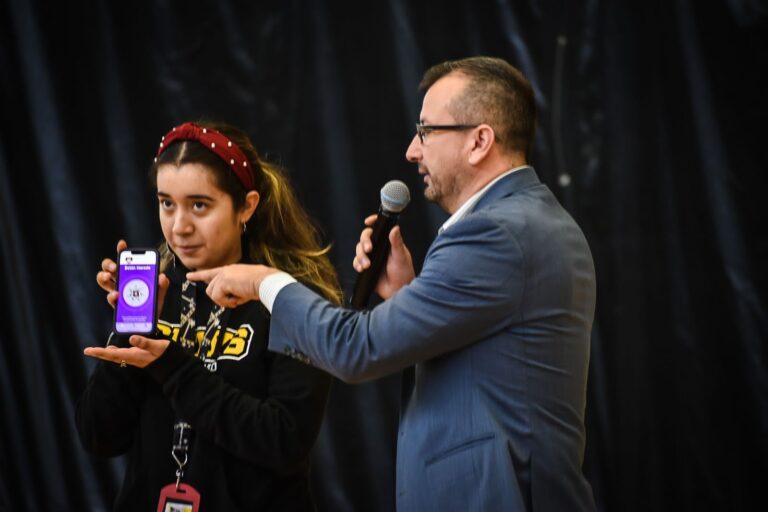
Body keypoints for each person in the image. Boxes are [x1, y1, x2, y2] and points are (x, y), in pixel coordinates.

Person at [151, 56, 595, 511]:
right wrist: (407, 293)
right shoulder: (531, 221)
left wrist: (266, 282)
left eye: (426, 131)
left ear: (480, 141)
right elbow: (488, 361)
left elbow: (356, 350)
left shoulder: (495, 232)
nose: (412, 150)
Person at [76, 121, 341, 511]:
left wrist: (173, 367)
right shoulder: (157, 293)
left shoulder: (288, 300)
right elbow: (100, 436)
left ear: (246, 207)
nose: (179, 227)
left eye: (199, 205)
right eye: (167, 203)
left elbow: (284, 442)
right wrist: (131, 331)